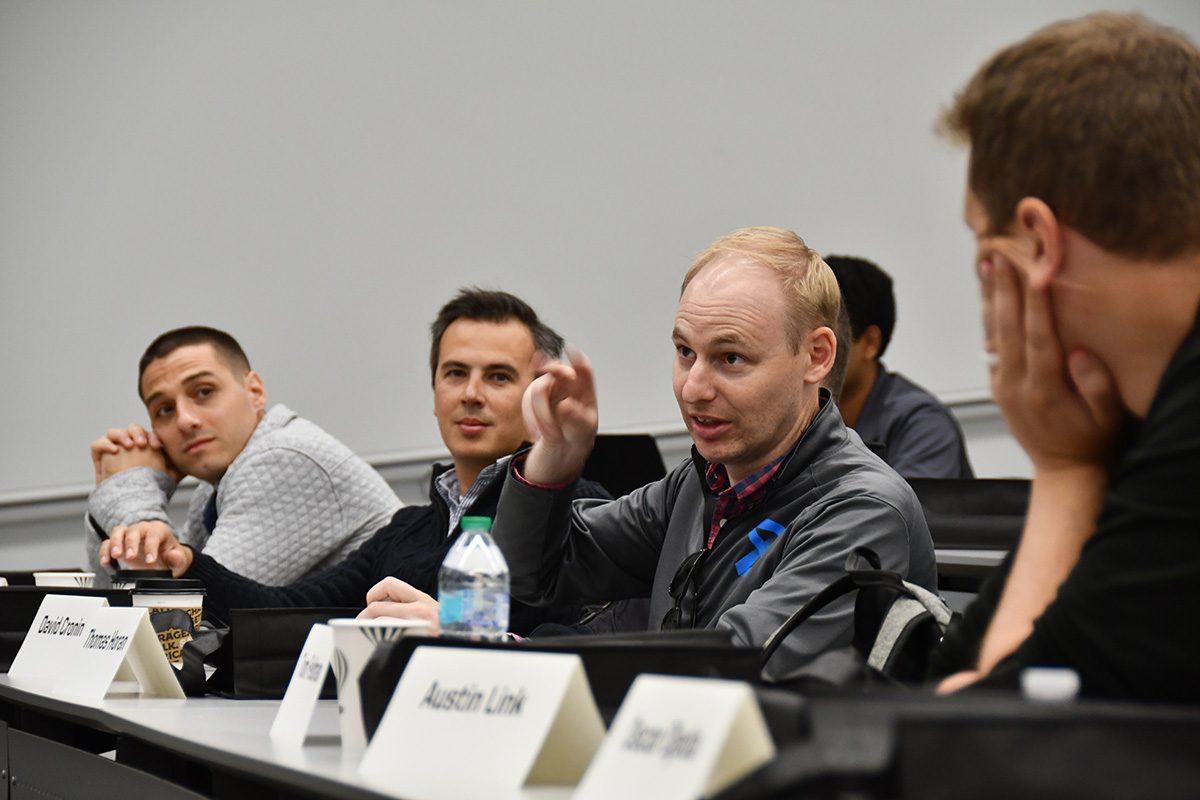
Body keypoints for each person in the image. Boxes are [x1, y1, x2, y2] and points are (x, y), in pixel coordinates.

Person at [488, 227, 936, 678]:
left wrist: (525, 655)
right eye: (685, 352)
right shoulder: (702, 483)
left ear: (817, 356)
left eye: (731, 358)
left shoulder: (863, 510)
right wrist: (552, 463)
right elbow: (528, 575)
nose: (694, 389)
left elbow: (729, 668)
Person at [929, 13, 1200, 702]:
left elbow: (989, 742)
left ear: (1038, 245)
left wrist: (1065, 472)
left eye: (981, 245)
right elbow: (948, 689)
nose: (980, 276)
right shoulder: (1141, 418)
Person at [101, 289, 610, 635]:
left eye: (498, 377)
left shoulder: (581, 511)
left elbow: (587, 647)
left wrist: (462, 633)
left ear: (537, 395)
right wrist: (187, 564)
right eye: (455, 373)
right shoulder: (408, 530)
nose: (471, 394)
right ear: (434, 394)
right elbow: (292, 612)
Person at [87, 327, 401, 587]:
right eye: (164, 410)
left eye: (204, 392)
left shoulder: (284, 460)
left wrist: (129, 491)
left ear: (255, 391)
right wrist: (115, 495)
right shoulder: (210, 492)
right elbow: (115, 612)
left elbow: (187, 621)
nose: (185, 420)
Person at [825, 255, 973, 479]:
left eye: (828, 339)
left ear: (870, 343)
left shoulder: (924, 425)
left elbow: (904, 512)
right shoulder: (802, 411)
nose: (812, 354)